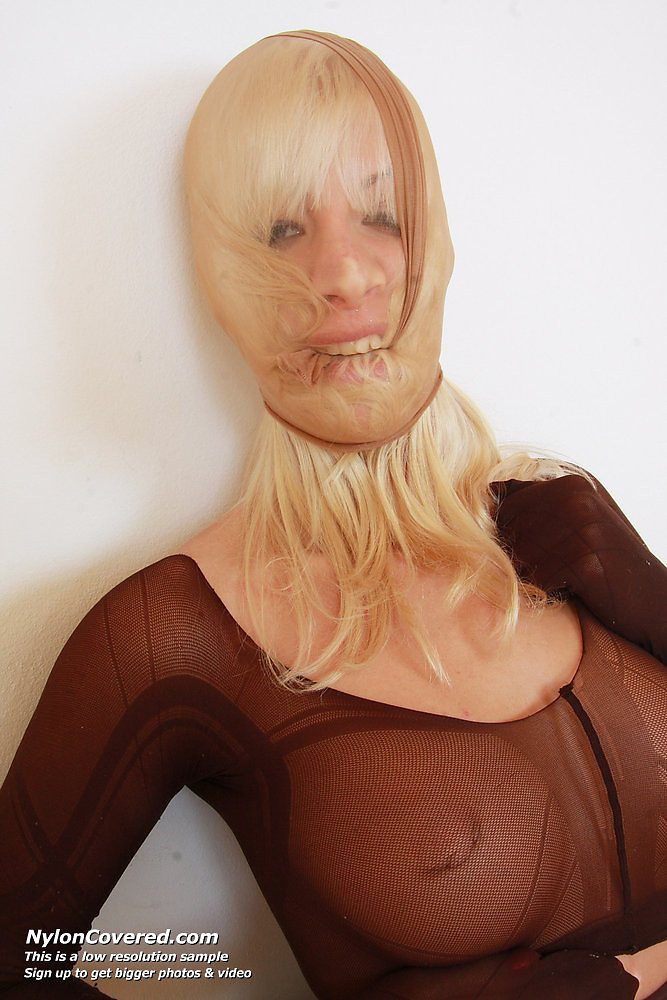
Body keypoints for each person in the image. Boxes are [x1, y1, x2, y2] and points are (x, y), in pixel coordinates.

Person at [1, 29, 666, 999]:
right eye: (281, 230)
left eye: (383, 216)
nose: (346, 275)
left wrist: (656, 602)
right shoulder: (175, 634)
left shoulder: (563, 523)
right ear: (219, 276)